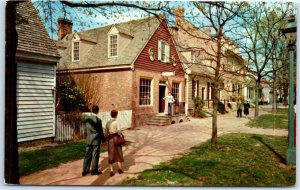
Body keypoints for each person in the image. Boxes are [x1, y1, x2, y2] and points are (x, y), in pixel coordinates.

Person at [82, 105, 105, 176]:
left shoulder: (86, 118)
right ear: (98, 111)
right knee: (95, 155)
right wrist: (103, 139)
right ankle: (94, 171)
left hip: (89, 139)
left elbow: (84, 127)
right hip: (96, 139)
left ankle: (85, 170)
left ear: (92, 110)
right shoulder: (98, 120)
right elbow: (101, 131)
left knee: (87, 155)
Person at [105, 110, 124, 177]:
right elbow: (119, 131)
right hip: (116, 137)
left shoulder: (108, 122)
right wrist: (121, 135)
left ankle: (111, 170)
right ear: (116, 115)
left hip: (110, 138)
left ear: (111, 115)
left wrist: (107, 138)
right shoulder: (117, 122)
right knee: (118, 152)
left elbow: (106, 132)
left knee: (111, 153)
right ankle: (120, 168)